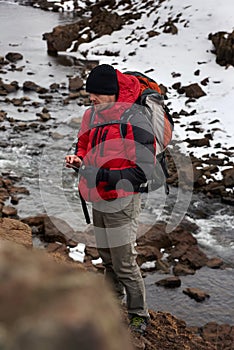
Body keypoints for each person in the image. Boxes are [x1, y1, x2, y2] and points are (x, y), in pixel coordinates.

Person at [65, 64, 156, 334]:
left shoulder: (135, 119)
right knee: (106, 258)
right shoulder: (91, 115)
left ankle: (139, 314)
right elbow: (83, 143)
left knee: (124, 262)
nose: (90, 99)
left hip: (123, 201)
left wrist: (100, 174)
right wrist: (78, 158)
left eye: (96, 94)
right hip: (98, 197)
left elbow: (144, 170)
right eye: (89, 94)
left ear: (112, 93)